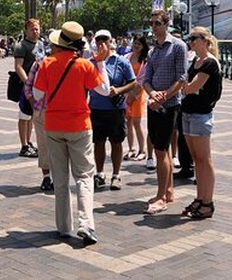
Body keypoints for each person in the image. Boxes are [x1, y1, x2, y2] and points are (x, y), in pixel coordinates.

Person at [33, 21, 110, 245]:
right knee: (84, 177)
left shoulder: (46, 63)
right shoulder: (85, 65)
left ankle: (63, 226)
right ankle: (86, 223)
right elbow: (104, 90)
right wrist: (101, 64)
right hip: (80, 126)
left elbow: (38, 96)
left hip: (54, 125)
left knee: (60, 178)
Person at [142, 10, 188, 215]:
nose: (154, 27)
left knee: (161, 151)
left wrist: (164, 96)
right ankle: (167, 191)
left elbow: (182, 78)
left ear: (167, 24)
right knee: (163, 149)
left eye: (158, 23)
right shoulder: (153, 51)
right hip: (154, 104)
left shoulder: (178, 46)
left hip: (170, 105)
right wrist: (153, 95)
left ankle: (161, 198)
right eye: (152, 23)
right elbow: (146, 80)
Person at [180, 27, 222, 220]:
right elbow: (187, 86)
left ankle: (208, 202)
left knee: (205, 159)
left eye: (194, 38)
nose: (191, 41)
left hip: (200, 114)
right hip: (188, 112)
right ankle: (200, 197)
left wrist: (186, 88)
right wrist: (186, 87)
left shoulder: (210, 63)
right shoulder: (195, 61)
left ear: (205, 40)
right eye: (190, 38)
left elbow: (192, 86)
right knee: (196, 159)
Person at [88, 29, 136, 191]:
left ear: (111, 41)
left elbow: (132, 82)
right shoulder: (91, 62)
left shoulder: (121, 61)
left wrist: (120, 90)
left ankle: (116, 175)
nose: (102, 42)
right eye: (98, 39)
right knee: (98, 142)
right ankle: (100, 173)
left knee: (116, 141)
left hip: (116, 109)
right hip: (96, 108)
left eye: (105, 39)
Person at [13, 19, 45, 157]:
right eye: (32, 29)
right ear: (26, 30)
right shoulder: (21, 46)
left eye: (37, 28)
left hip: (39, 85)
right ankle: (23, 145)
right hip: (26, 86)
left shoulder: (40, 44)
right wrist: (28, 83)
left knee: (32, 115)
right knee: (24, 115)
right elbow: (18, 66)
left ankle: (28, 141)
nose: (35, 31)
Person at [23, 59, 53, 190]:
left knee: (59, 146)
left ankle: (57, 177)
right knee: (43, 144)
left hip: (60, 111)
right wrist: (33, 104)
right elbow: (28, 85)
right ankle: (46, 177)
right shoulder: (39, 63)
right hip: (42, 110)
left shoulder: (71, 61)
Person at [124, 35, 149, 162]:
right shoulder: (126, 57)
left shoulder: (145, 60)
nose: (136, 45)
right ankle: (131, 149)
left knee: (136, 122)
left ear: (143, 46)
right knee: (128, 121)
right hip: (126, 92)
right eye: (135, 43)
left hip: (139, 93)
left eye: (139, 44)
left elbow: (143, 79)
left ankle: (142, 150)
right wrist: (127, 94)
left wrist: (134, 94)